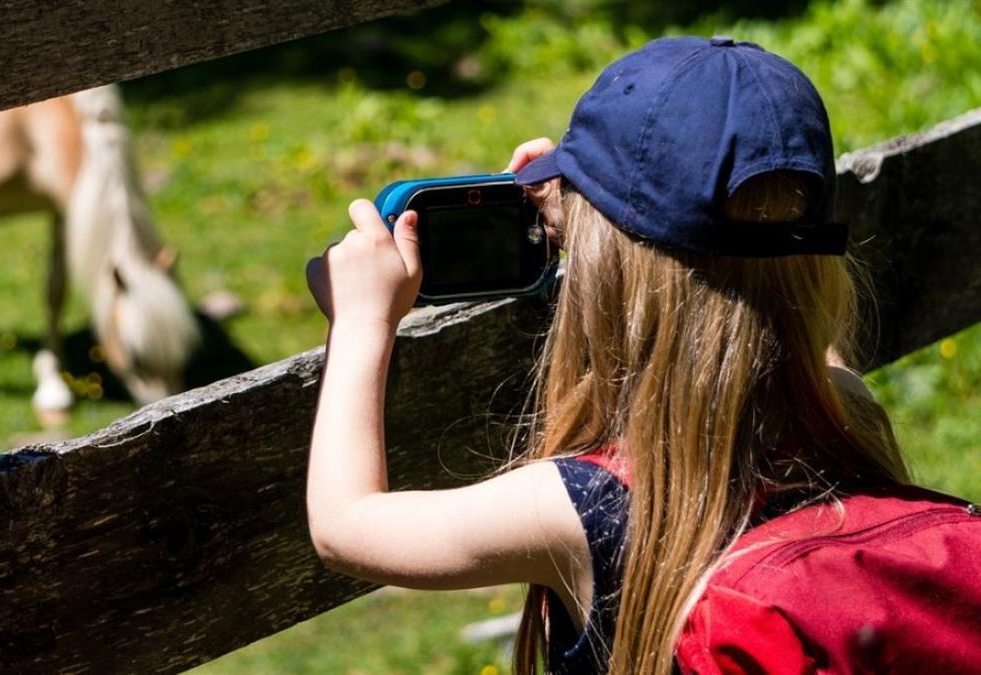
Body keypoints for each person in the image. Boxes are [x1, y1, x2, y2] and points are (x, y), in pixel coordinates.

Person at [304, 36, 980, 674]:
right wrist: (598, 203)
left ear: (604, 265)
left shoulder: (586, 505)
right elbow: (780, 298)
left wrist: (362, 319)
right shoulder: (842, 405)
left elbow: (346, 525)